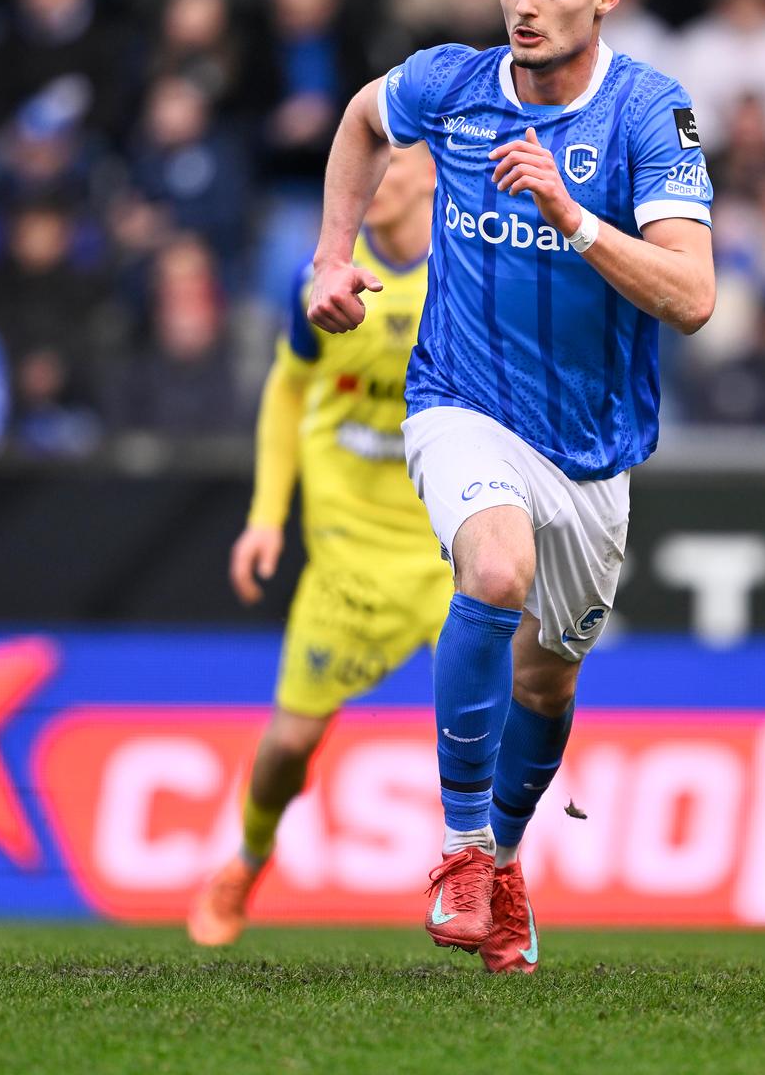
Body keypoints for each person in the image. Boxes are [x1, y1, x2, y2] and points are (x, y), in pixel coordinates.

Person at [304, 0, 715, 974]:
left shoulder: (649, 113)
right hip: (460, 399)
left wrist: (573, 217)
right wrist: (331, 255)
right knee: (493, 570)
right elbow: (360, 121)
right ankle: (458, 848)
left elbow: (693, 295)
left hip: (591, 442)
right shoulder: (450, 83)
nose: (525, 4)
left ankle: (507, 859)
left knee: (547, 681)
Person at [188, 145, 452, 947]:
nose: (372, 181)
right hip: (350, 558)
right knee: (290, 744)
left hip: (454, 551)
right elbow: (287, 387)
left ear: (433, 174)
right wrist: (266, 517)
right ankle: (247, 858)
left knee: (497, 733)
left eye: (391, 165)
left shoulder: (470, 272)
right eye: (364, 166)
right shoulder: (327, 280)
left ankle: (495, 884)